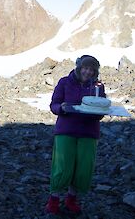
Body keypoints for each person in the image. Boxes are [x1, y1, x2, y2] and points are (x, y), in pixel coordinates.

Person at [45, 55, 106, 215]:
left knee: (83, 168)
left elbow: (101, 110)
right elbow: (54, 105)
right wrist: (62, 108)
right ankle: (53, 200)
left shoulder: (98, 87)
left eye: (91, 70)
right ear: (79, 67)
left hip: (89, 132)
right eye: (85, 68)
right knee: (63, 166)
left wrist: (97, 112)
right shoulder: (64, 82)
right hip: (66, 131)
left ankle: (71, 199)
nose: (88, 72)